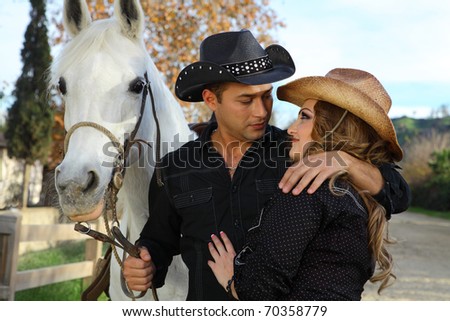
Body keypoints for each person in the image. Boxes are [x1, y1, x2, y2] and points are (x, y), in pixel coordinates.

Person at [123, 30, 410, 300]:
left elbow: (398, 194)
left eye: (266, 96)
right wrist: (145, 265)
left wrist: (347, 162)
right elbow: (158, 240)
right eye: (246, 100)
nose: (261, 111)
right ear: (211, 99)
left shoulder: (302, 152)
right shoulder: (174, 167)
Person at [207, 68, 403, 300]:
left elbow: (258, 293)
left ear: (332, 126)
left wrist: (232, 281)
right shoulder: (355, 196)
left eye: (305, 116)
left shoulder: (306, 187)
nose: (291, 129)